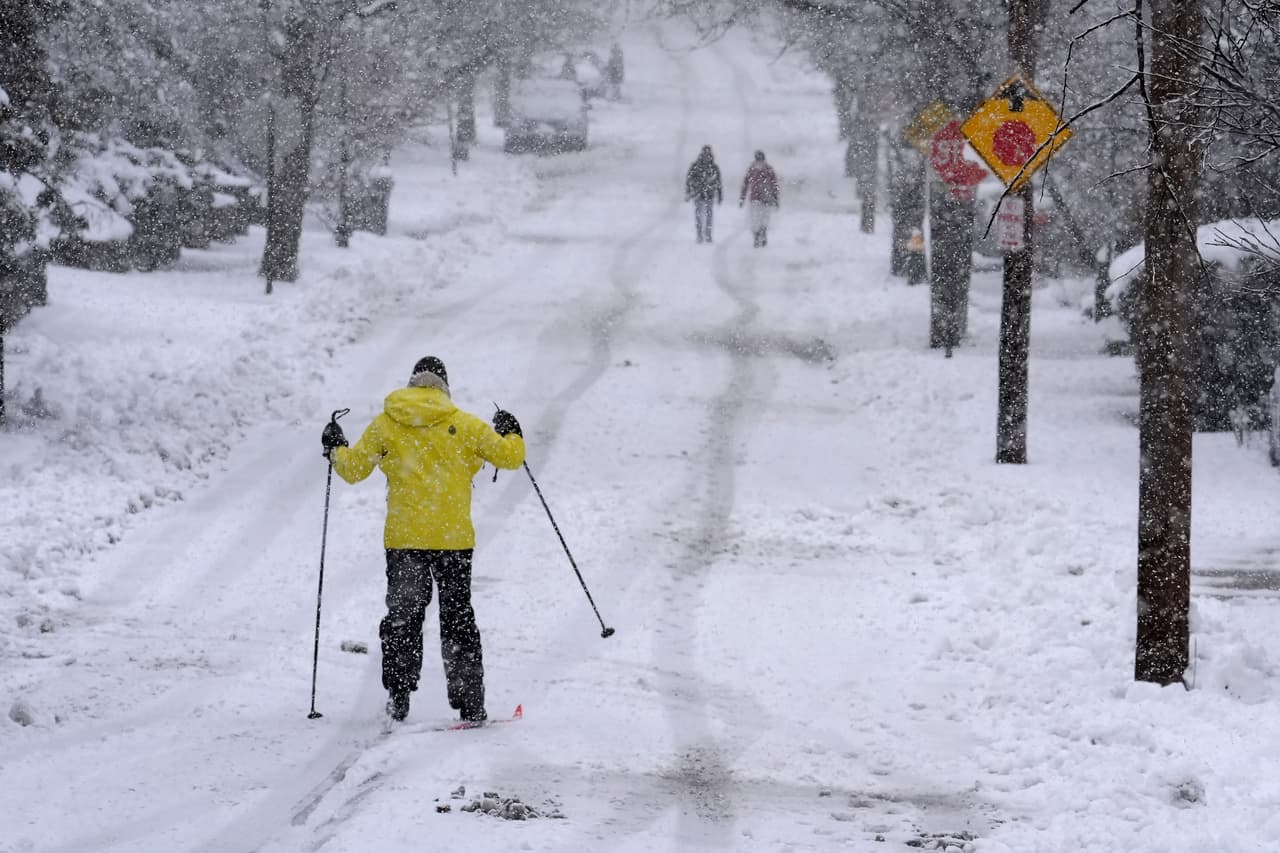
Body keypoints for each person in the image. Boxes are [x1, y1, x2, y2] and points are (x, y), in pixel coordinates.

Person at [321, 356, 526, 723]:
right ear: (444, 387)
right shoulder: (464, 424)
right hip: (453, 540)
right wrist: (511, 430)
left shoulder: (388, 423)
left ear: (412, 384)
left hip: (405, 541)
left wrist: (335, 446)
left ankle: (398, 698)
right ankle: (471, 704)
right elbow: (510, 458)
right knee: (458, 619)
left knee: (404, 617)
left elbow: (353, 469)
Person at [738, 150, 780, 248]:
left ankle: (760, 234)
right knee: (759, 218)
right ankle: (759, 235)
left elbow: (774, 184)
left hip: (762, 198)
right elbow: (774, 184)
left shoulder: (757, 169)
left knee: (760, 218)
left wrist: (742, 198)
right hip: (760, 198)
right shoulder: (762, 169)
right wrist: (775, 198)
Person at [685, 145, 723, 244]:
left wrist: (719, 195)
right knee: (700, 216)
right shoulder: (699, 166)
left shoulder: (712, 167)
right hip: (699, 194)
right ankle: (701, 235)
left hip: (707, 195)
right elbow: (689, 180)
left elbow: (718, 183)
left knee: (706, 216)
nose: (706, 156)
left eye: (708, 154)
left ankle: (707, 235)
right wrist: (689, 191)